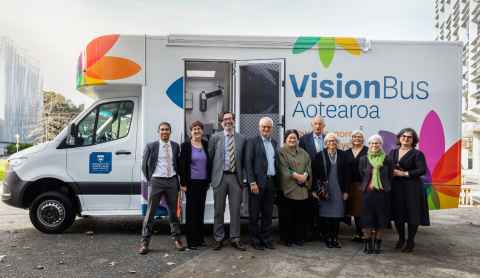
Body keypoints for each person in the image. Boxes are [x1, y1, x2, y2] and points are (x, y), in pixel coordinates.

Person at [139, 122, 185, 255]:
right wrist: (151, 179)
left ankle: (177, 239)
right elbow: (144, 165)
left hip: (172, 181)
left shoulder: (175, 146)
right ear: (158, 132)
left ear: (170, 132)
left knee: (173, 213)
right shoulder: (151, 146)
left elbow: (177, 164)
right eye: (162, 130)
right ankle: (145, 242)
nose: (164, 132)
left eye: (167, 130)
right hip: (157, 181)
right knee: (150, 213)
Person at [208, 111, 247, 251]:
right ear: (221, 122)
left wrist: (244, 178)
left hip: (235, 177)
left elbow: (244, 160)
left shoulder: (242, 138)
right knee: (218, 210)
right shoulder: (215, 138)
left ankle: (235, 238)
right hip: (219, 178)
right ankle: (218, 239)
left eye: (230, 119)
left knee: (236, 210)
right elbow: (210, 157)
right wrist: (210, 178)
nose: (228, 121)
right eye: (225, 119)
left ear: (234, 121)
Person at [389, 128, 430, 253]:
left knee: (413, 214)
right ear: (399, 137)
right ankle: (401, 239)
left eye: (409, 137)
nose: (406, 139)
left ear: (413, 140)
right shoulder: (393, 152)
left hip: (413, 188)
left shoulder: (417, 154)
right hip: (396, 188)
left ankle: (410, 241)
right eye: (403, 136)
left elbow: (422, 170)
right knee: (398, 214)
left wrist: (404, 173)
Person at [245, 117, 278, 250]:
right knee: (254, 214)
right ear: (259, 128)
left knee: (268, 213)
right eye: (263, 127)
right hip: (256, 184)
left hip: (271, 182)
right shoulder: (252, 142)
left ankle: (266, 239)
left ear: (271, 129)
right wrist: (252, 182)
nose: (266, 129)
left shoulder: (274, 143)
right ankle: (254, 240)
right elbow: (248, 163)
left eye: (268, 127)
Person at [312, 132, 350, 248]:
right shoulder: (320, 155)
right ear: (326, 143)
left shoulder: (343, 155)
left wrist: (346, 191)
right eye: (329, 141)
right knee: (326, 215)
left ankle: (335, 238)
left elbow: (348, 176)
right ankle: (327, 238)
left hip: (339, 189)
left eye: (334, 141)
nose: (331, 143)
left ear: (337, 143)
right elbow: (314, 174)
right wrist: (314, 190)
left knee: (337, 215)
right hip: (325, 190)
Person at [179, 121, 211, 250]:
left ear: (202, 131)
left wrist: (208, 181)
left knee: (200, 211)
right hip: (190, 184)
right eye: (194, 129)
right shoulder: (186, 146)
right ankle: (191, 241)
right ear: (190, 132)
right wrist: (183, 183)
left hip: (203, 183)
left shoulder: (206, 144)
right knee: (191, 213)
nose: (196, 131)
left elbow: (209, 163)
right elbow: (182, 165)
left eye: (199, 129)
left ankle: (200, 239)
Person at [358, 134, 393, 254]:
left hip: (382, 194)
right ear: (369, 145)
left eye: (377, 143)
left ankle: (377, 243)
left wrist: (382, 184)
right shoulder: (363, 159)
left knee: (381, 220)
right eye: (372, 143)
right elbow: (361, 175)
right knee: (367, 220)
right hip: (367, 194)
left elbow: (390, 176)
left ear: (381, 145)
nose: (374, 145)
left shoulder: (387, 159)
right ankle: (367, 243)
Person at [278, 129, 312, 246]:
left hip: (302, 189)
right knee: (287, 217)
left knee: (300, 217)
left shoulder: (304, 153)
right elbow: (283, 169)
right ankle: (287, 239)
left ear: (298, 140)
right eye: (290, 138)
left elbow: (308, 166)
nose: (292, 140)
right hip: (289, 189)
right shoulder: (281, 152)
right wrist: (298, 176)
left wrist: (306, 176)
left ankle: (299, 238)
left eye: (294, 138)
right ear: (285, 139)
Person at [299, 116, 326, 240]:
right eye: (315, 124)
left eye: (320, 124)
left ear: (323, 126)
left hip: (323, 178)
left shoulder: (327, 139)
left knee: (323, 205)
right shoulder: (304, 139)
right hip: (309, 176)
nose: (318, 126)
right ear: (312, 125)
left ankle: (321, 231)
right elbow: (301, 159)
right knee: (309, 206)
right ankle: (309, 232)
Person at [345, 130, 368, 242]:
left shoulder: (368, 151)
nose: (357, 139)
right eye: (354, 137)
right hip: (350, 185)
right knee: (353, 210)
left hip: (363, 185)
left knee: (362, 210)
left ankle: (364, 234)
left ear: (363, 139)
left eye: (359, 137)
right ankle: (358, 233)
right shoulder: (347, 152)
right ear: (352, 139)